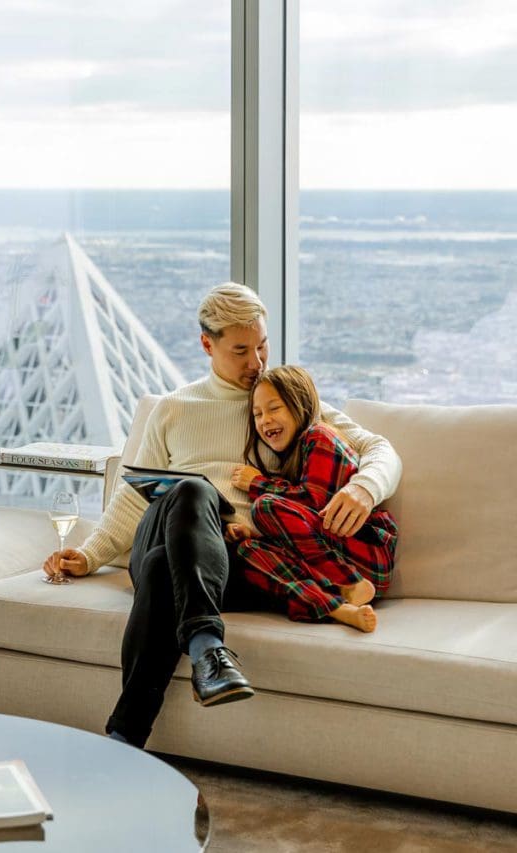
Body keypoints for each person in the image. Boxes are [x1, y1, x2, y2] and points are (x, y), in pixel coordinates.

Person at [41, 283, 402, 749]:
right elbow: (133, 499)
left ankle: (124, 738)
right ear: (207, 345)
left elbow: (380, 448)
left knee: (158, 571)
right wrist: (89, 554)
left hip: (239, 563)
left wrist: (363, 489)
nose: (257, 362)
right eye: (241, 351)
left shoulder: (286, 405)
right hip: (168, 526)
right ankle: (209, 647)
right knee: (192, 490)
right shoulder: (174, 409)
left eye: (262, 346)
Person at [227, 365, 398, 633]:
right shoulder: (293, 455)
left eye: (274, 408)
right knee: (246, 549)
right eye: (257, 414)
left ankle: (348, 582)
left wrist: (257, 483)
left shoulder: (320, 436)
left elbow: (314, 504)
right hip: (333, 556)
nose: (264, 420)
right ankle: (336, 607)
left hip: (365, 552)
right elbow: (305, 532)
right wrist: (256, 535)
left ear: (300, 405)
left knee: (266, 506)